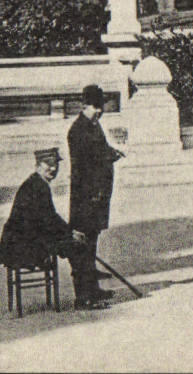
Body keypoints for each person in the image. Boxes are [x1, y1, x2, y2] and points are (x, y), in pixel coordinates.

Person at [0, 148, 82, 300]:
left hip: (22, 238)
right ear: (38, 165)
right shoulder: (38, 186)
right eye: (48, 164)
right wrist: (70, 234)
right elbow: (48, 219)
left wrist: (68, 232)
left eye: (56, 164)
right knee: (77, 247)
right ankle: (84, 295)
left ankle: (85, 289)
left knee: (73, 244)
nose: (54, 168)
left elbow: (48, 218)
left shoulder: (35, 182)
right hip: (23, 244)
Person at [66, 84, 124, 308]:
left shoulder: (93, 126)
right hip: (86, 197)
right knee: (82, 245)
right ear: (84, 105)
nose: (99, 111)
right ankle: (83, 297)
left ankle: (93, 289)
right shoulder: (78, 130)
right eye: (95, 107)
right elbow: (88, 163)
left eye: (101, 107)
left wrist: (112, 153)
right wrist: (107, 158)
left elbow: (102, 149)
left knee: (92, 244)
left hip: (97, 196)